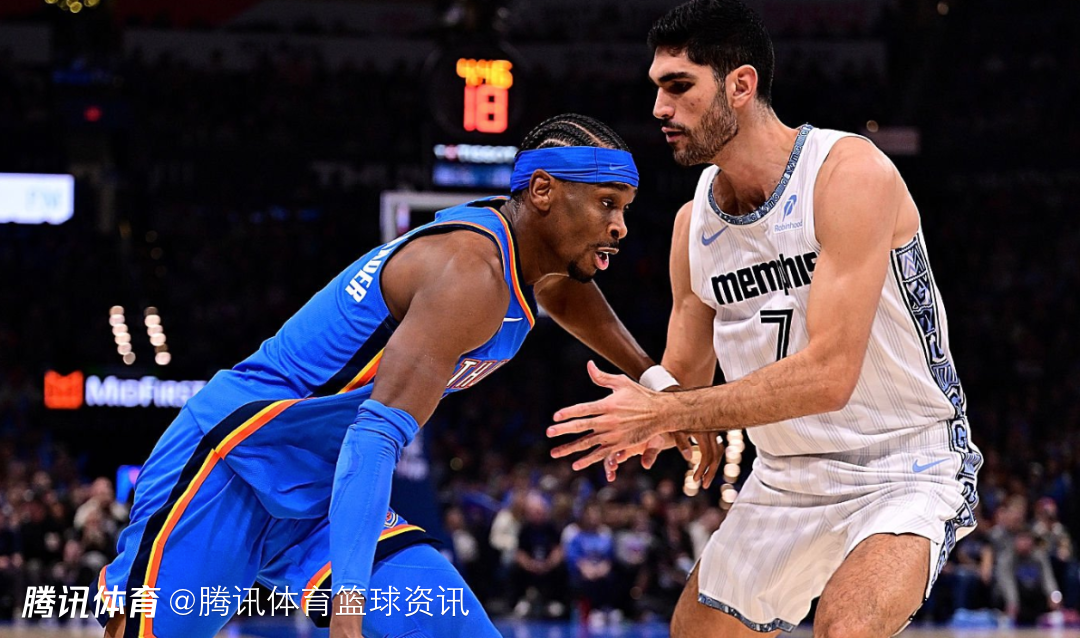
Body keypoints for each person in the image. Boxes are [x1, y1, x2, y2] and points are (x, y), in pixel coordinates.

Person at [95, 113, 660, 638]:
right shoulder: (469, 275)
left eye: (625, 209)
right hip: (234, 463)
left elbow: (564, 293)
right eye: (606, 204)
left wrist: (657, 386)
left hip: (326, 491)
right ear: (542, 191)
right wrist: (348, 607)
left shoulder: (528, 257)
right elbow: (373, 440)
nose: (620, 226)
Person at [546, 2, 982, 636]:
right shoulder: (692, 225)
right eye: (657, 89)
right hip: (784, 476)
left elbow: (829, 375)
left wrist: (667, 412)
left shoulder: (848, 174)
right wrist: (653, 422)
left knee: (846, 626)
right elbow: (684, 381)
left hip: (903, 463)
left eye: (679, 86)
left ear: (740, 86)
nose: (660, 108)